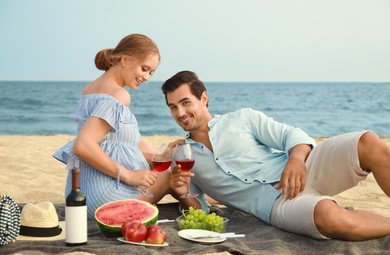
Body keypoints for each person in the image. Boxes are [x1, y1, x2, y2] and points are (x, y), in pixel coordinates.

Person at [162, 70, 390, 241]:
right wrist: (183, 193)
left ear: (203, 98)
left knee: (368, 142)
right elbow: (199, 211)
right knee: (330, 217)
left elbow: (291, 135)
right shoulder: (183, 156)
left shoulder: (243, 118)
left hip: (304, 168)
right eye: (173, 107)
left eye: (185, 102)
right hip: (276, 206)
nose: (180, 113)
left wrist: (296, 159)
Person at [53, 34, 170, 219]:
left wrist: (155, 157)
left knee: (160, 163)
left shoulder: (90, 90)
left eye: (151, 73)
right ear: (125, 59)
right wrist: (130, 176)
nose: (147, 77)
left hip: (79, 198)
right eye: (144, 69)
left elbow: (115, 144)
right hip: (105, 200)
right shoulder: (118, 94)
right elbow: (83, 146)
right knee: (172, 174)